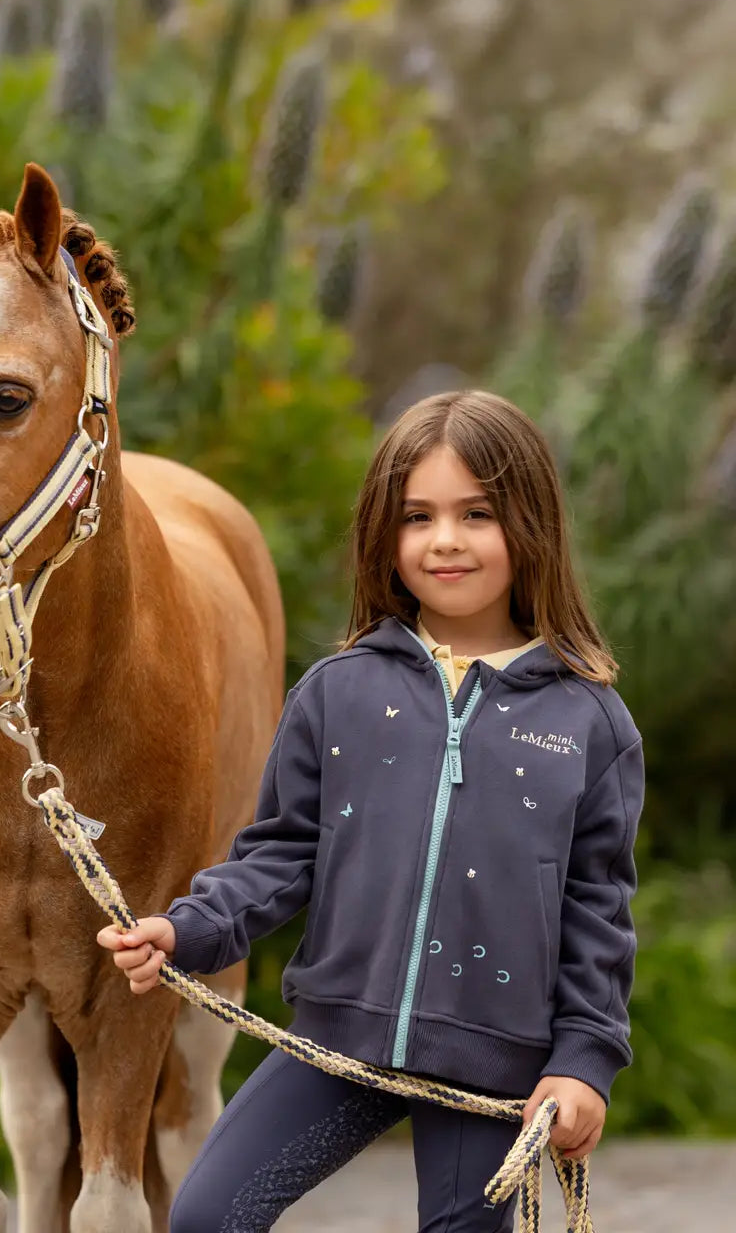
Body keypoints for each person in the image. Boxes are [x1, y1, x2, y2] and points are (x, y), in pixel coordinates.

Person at [98, 390, 644, 1233]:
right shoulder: (338, 693)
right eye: (418, 516)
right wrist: (189, 929)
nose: (446, 540)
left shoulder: (589, 722)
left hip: (493, 1068)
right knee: (205, 1216)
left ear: (531, 523)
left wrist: (582, 1064)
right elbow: (280, 853)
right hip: (339, 1041)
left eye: (478, 513)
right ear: (385, 538)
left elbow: (597, 916)